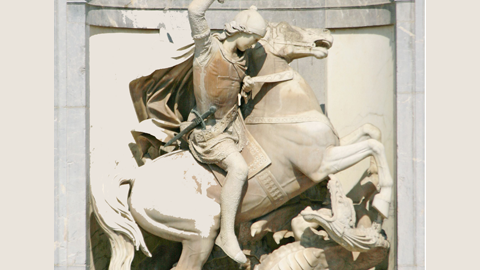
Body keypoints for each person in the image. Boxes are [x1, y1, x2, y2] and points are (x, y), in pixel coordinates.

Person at [185, 0, 267, 264]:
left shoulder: (241, 61)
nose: (254, 44)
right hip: (209, 132)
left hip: (234, 128)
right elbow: (194, 11)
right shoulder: (207, 48)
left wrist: (246, 88)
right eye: (253, 38)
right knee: (240, 169)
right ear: (241, 31)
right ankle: (226, 235)